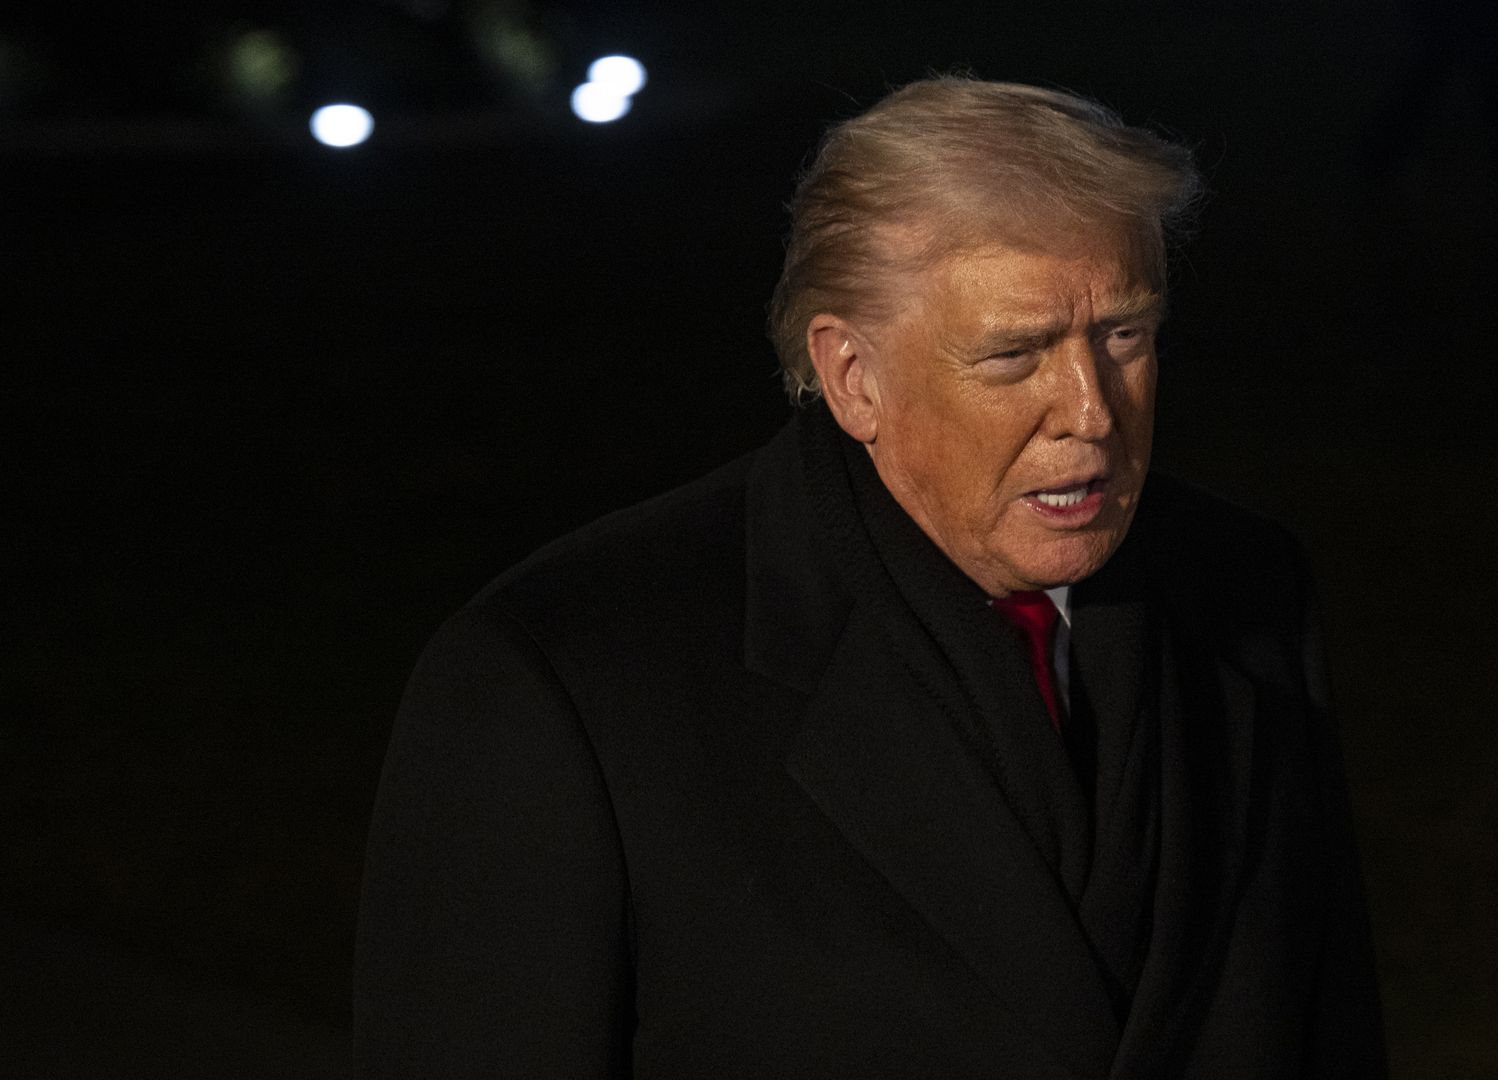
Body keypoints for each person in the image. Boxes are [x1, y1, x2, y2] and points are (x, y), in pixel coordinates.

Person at [353, 76, 1386, 1079]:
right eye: (1015, 355)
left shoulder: (1248, 590)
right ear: (853, 377)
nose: (1091, 411)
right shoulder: (562, 683)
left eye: (1125, 336)